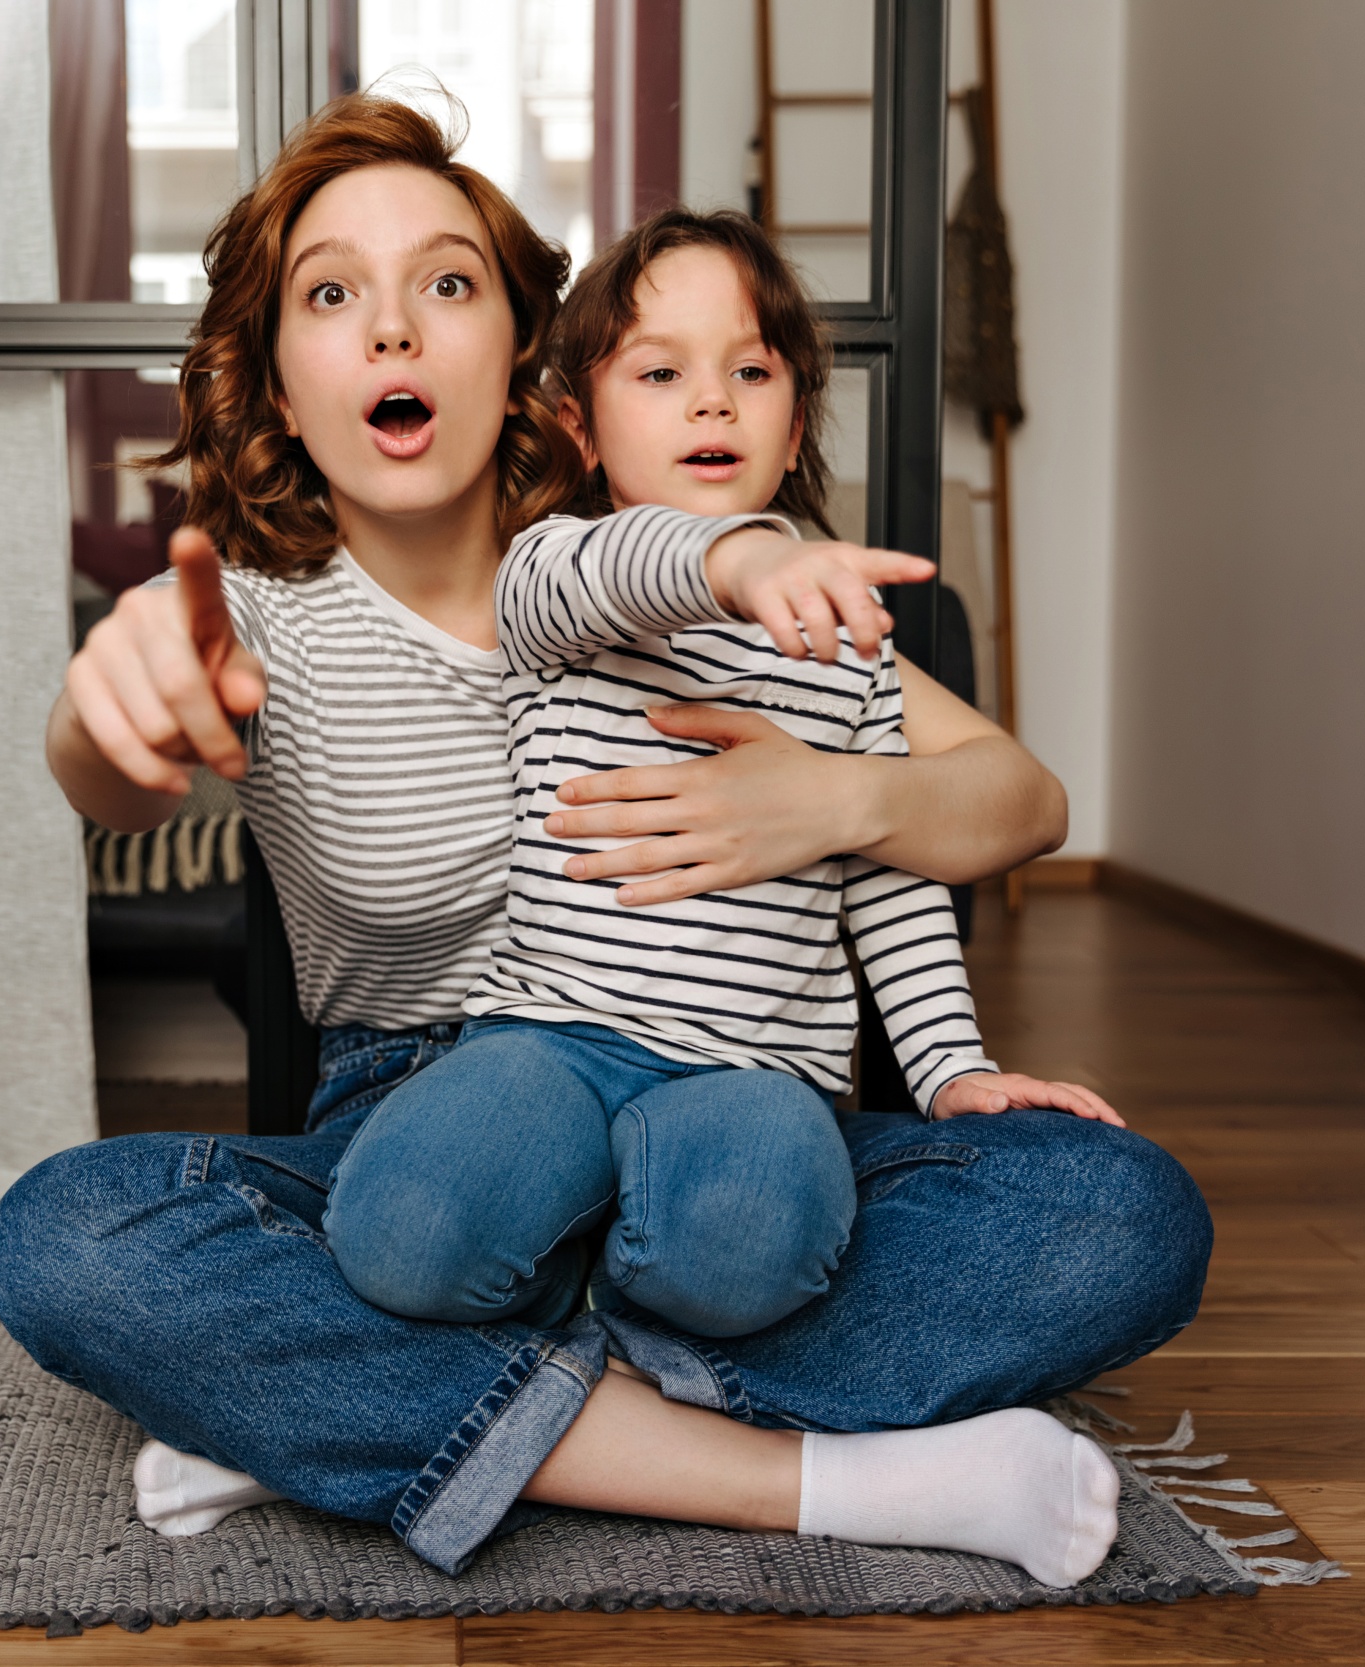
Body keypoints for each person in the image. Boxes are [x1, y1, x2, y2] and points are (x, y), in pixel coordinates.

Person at [0, 94, 1210, 1589]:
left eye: (446, 282)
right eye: (331, 294)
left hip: (732, 1121)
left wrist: (834, 799)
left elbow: (1021, 797)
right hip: (419, 1150)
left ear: (526, 363)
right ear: (281, 384)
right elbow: (111, 771)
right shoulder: (254, 618)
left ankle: (360, 1410)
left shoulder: (702, 583)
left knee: (1122, 1215)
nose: (392, 327)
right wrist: (105, 707)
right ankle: (811, 1473)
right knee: (65, 1238)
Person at [317, 209, 1127, 1385]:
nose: (711, 401)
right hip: (547, 1040)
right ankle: (601, 1318)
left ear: (793, 426)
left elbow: (892, 873)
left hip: (756, 1068)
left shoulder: (851, 655)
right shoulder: (552, 574)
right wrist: (740, 558)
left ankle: (585, 1320)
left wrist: (951, 1065)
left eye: (750, 372)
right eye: (659, 374)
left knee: (747, 1255)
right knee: (401, 1233)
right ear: (579, 428)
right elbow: (630, 565)